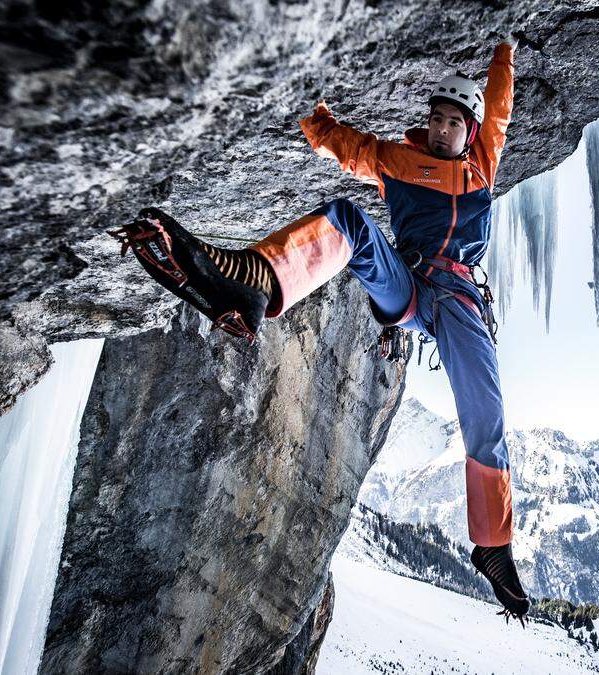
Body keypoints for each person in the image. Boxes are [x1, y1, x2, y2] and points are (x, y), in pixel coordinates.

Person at [110, 39, 530, 624]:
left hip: (458, 300)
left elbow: (501, 108)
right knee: (348, 221)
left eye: (454, 123)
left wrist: (506, 46)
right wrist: (309, 107)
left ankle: (492, 544)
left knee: (485, 414)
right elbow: (344, 146)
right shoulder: (397, 160)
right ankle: (255, 279)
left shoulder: (482, 164)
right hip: (408, 285)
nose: (441, 130)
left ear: (469, 130)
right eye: (435, 119)